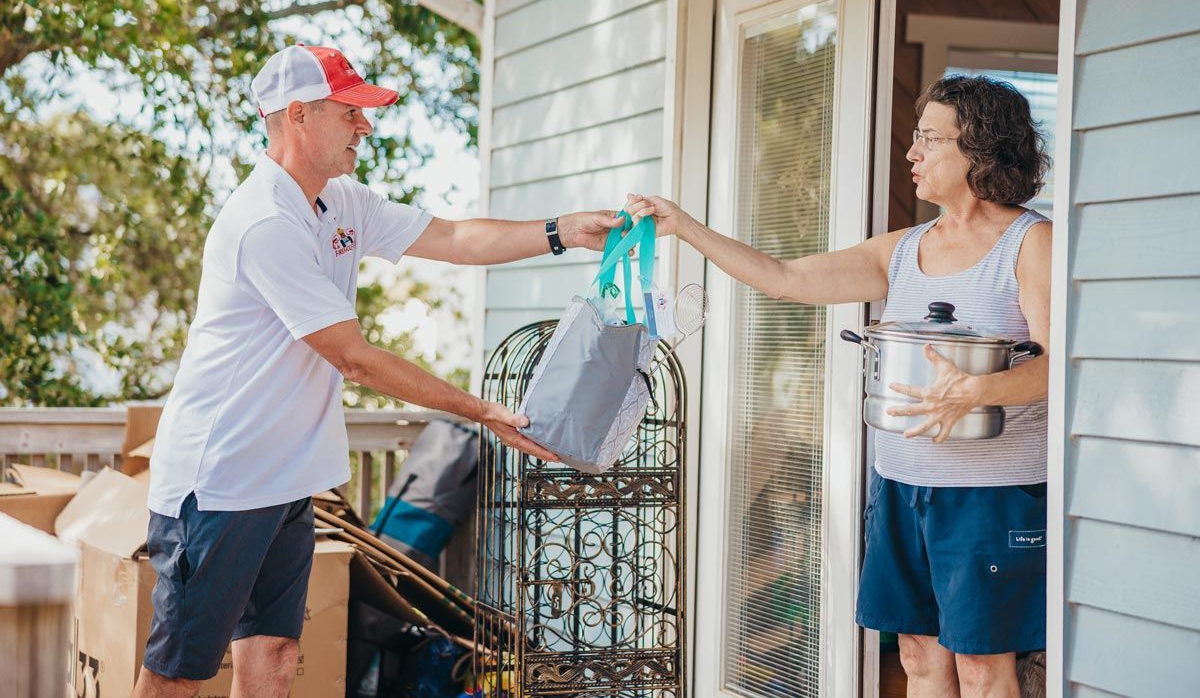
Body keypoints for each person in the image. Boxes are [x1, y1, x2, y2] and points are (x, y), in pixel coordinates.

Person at [135, 44, 625, 698]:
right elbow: (353, 357)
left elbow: (452, 238)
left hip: (282, 480)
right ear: (299, 115)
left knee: (275, 653)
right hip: (219, 483)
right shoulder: (262, 223)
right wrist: (483, 411)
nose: (365, 126)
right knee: (179, 673)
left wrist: (564, 230)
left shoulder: (341, 202)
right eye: (350, 112)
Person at [625, 74, 1052, 697]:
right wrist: (686, 227)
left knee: (983, 666)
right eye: (916, 136)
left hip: (990, 495)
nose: (912, 152)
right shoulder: (903, 250)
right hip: (901, 485)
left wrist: (974, 392)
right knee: (917, 656)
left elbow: (1054, 368)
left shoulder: (1031, 242)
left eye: (930, 139)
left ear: (980, 149)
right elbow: (785, 278)